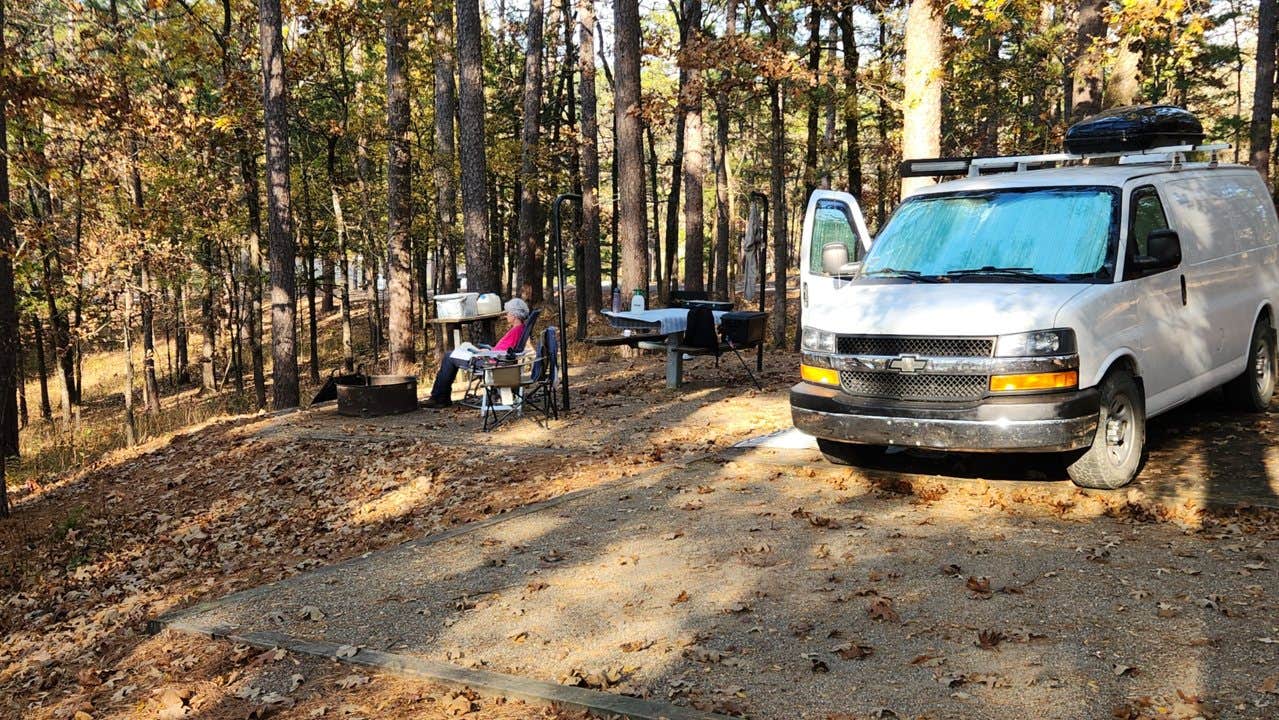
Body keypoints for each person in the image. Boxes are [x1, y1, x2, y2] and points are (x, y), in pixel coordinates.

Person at [423, 298, 531, 408]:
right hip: (494, 358)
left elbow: (504, 353)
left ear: (514, 315)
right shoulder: (520, 329)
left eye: (508, 313)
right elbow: (506, 350)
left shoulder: (515, 331)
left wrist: (486, 353)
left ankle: (439, 398)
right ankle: (441, 397)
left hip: (491, 363)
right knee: (456, 352)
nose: (506, 315)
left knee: (449, 356)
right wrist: (489, 350)